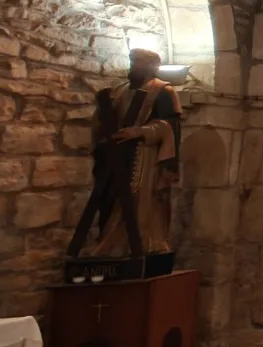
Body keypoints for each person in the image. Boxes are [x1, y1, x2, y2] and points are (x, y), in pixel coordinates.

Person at [66, 48, 183, 264]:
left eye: (139, 62)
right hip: (116, 155)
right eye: (132, 61)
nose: (133, 66)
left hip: (145, 156)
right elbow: (103, 121)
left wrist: (139, 132)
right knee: (111, 197)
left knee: (141, 201)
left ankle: (145, 243)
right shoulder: (119, 91)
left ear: (151, 66)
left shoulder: (163, 91)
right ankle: (111, 245)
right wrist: (104, 131)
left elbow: (170, 127)